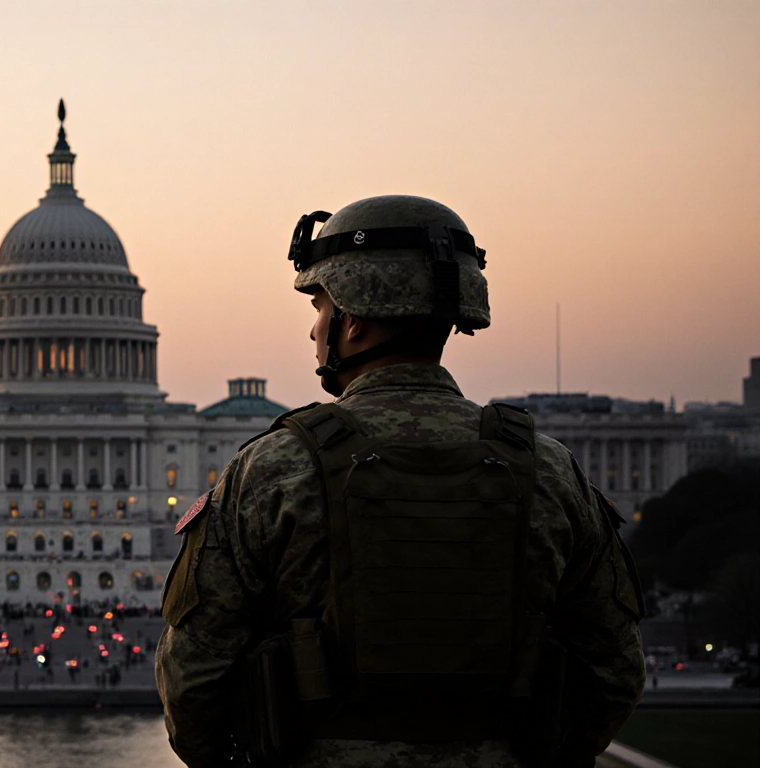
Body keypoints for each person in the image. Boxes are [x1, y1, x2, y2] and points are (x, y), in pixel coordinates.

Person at [155, 196, 645, 768]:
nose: (314, 332)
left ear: (353, 321)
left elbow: (194, 680)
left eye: (319, 309)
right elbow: (615, 668)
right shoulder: (548, 468)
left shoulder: (273, 468)